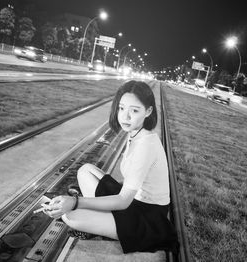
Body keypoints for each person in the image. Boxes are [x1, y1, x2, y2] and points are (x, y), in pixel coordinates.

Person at [44, 80, 178, 253]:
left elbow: (122, 201)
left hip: (147, 216)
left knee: (69, 215)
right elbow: (127, 188)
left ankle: (102, 222)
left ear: (148, 111)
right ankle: (101, 221)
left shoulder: (146, 145)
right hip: (133, 200)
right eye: (122, 108)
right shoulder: (135, 133)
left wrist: (76, 202)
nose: (125, 116)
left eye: (134, 110)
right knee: (85, 170)